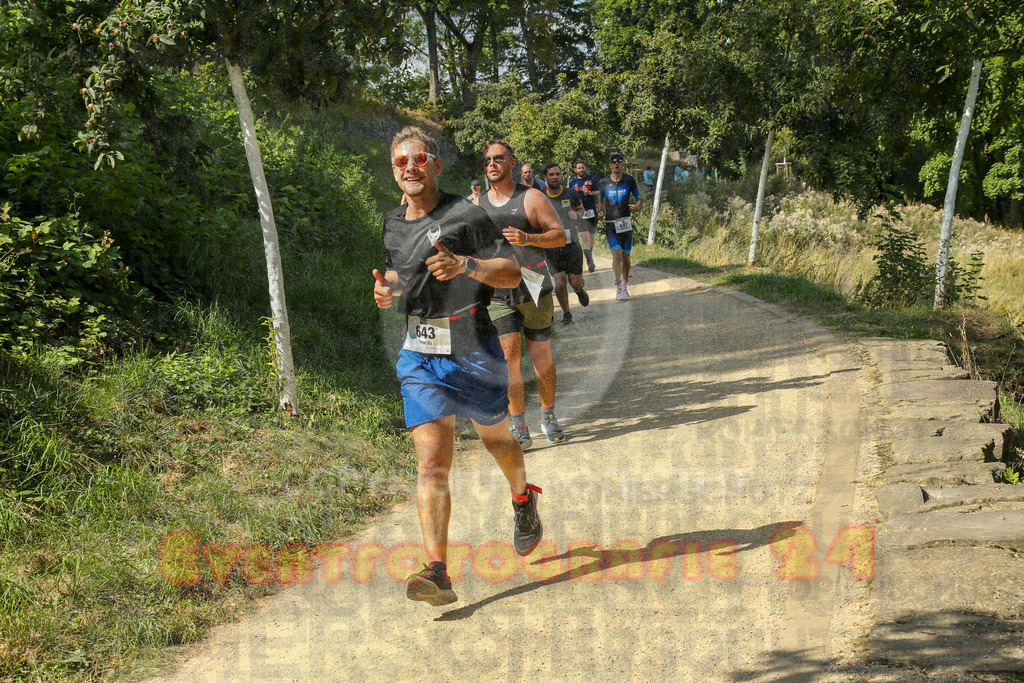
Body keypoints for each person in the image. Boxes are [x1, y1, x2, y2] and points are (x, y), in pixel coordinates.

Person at [372, 127, 543, 606]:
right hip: (420, 355)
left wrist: (467, 265)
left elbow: (513, 272)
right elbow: (400, 278)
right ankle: (439, 571)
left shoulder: (466, 215)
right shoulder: (392, 224)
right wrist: (387, 290)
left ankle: (522, 498)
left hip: (472, 350)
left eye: (419, 159)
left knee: (499, 443)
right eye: (401, 161)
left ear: (436, 165)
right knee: (431, 462)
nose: (410, 168)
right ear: (393, 170)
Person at [475, 139, 568, 449]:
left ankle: (549, 416)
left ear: (511, 163)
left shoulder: (531, 197)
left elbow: (559, 236)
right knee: (509, 358)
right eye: (487, 159)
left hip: (533, 283)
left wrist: (528, 237)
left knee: (541, 356)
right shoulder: (477, 205)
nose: (491, 164)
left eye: (498, 158)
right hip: (499, 289)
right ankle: (517, 422)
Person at [541, 162, 590, 325]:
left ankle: (579, 289)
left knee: (575, 280)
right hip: (552, 247)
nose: (555, 177)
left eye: (557, 174)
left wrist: (577, 214)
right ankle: (567, 313)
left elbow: (581, 210)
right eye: (551, 175)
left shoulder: (570, 193)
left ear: (561, 176)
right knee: (560, 280)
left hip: (571, 244)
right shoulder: (541, 198)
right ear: (545, 177)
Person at [598, 151, 642, 302]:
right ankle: (618, 286)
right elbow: (600, 200)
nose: (616, 164)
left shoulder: (629, 180)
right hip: (611, 224)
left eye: (619, 161)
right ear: (610, 165)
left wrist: (637, 205)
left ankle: (625, 285)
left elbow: (638, 199)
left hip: (625, 223)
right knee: (616, 254)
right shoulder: (603, 182)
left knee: (626, 256)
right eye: (613, 161)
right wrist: (600, 211)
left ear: (622, 164)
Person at [568, 160, 600, 272]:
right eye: (579, 168)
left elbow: (600, 192)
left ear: (586, 168)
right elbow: (570, 197)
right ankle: (590, 261)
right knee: (584, 237)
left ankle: (589, 256)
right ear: (575, 170)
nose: (581, 170)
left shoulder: (592, 179)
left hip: (592, 212)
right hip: (580, 212)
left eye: (583, 167)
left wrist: (590, 193)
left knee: (591, 237)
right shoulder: (573, 182)